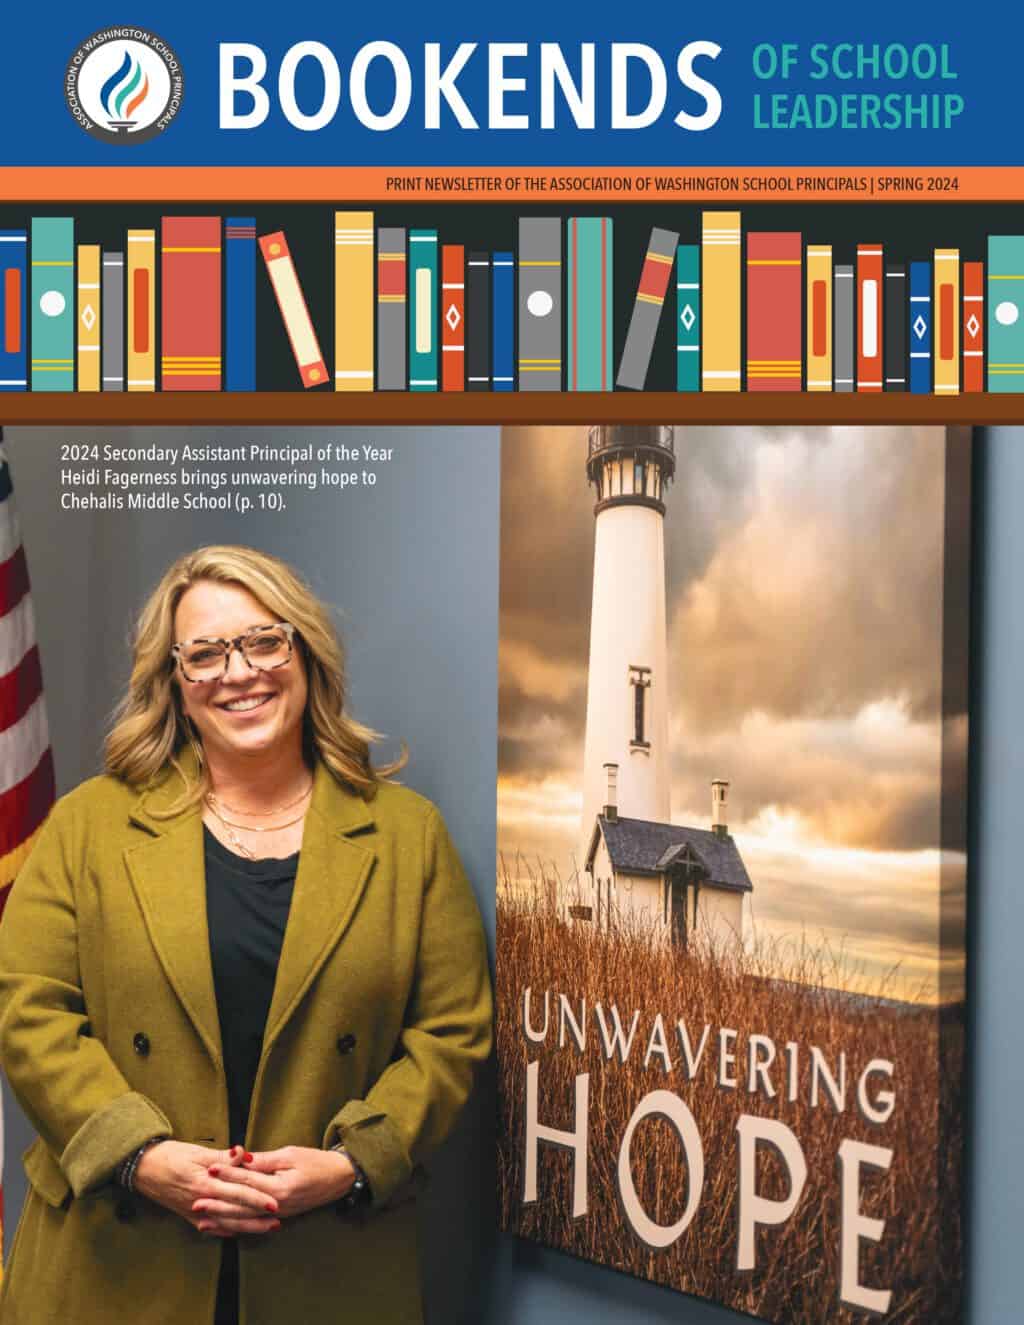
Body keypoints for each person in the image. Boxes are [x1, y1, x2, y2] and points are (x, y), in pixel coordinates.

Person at [0, 545, 493, 1325]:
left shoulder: (407, 836)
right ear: (175, 683)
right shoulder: (88, 825)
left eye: (264, 640)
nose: (239, 671)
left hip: (328, 1259)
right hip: (113, 1263)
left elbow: (452, 1032)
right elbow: (28, 1009)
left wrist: (350, 1163)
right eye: (205, 653)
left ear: (304, 652)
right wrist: (139, 1155)